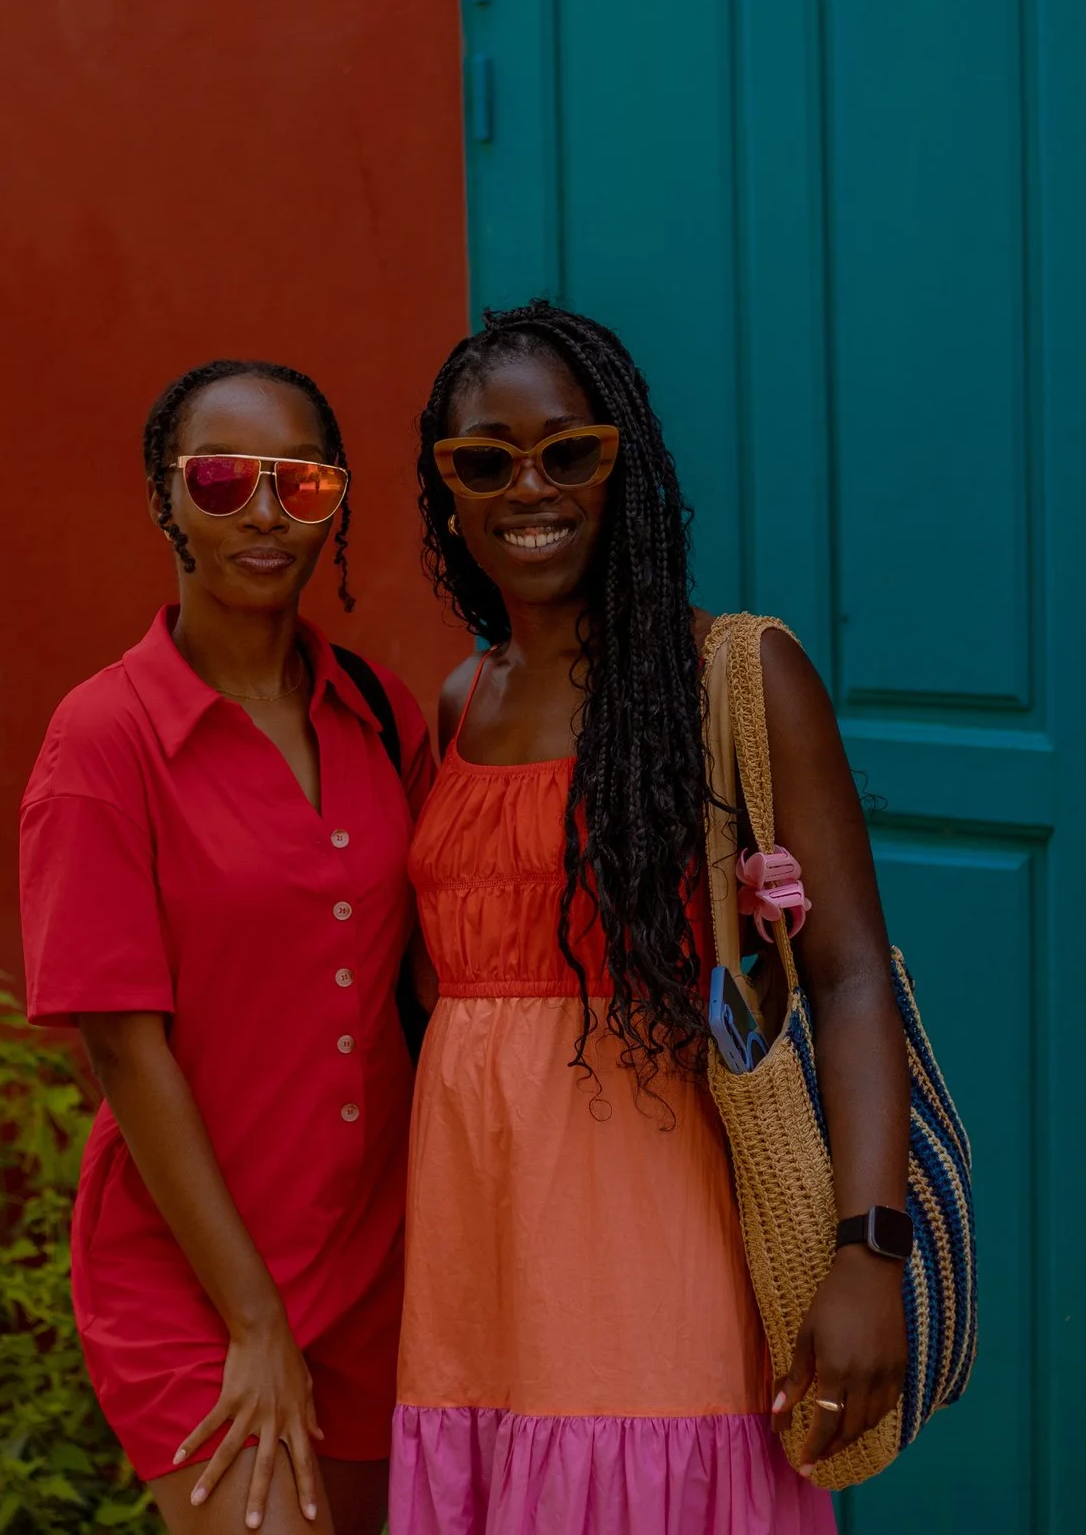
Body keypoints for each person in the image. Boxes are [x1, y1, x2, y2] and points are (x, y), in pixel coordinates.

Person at [390, 304, 914, 1534]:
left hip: (655, 1263)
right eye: (485, 460)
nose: (531, 487)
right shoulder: (459, 698)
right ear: (446, 492)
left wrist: (868, 1249)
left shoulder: (739, 676)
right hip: (475, 1279)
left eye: (568, 452)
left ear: (624, 463)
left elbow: (846, 978)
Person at [20, 360, 432, 1535]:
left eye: (299, 483)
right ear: (165, 500)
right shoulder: (104, 740)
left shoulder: (381, 710)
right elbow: (120, 1045)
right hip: (195, 1275)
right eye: (221, 479)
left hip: (378, 1270)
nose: (263, 511)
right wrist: (252, 1318)